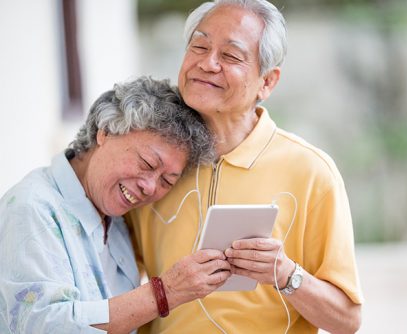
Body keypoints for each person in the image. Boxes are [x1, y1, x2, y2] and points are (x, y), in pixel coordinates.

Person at [127, 1, 363, 333]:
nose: (207, 63)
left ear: (267, 82)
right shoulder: (151, 162)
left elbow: (347, 320)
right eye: (199, 46)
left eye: (231, 56)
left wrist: (285, 274)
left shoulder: (311, 171)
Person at [0, 76, 232, 334]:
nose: (151, 187)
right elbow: (46, 326)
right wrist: (168, 291)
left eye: (167, 180)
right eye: (146, 163)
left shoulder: (115, 217)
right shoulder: (32, 208)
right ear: (106, 132)